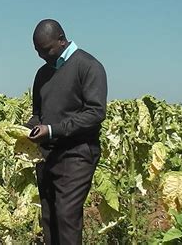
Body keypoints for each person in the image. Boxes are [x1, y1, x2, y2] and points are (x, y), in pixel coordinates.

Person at [26, 19, 107, 244]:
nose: (42, 55)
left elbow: (95, 113)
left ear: (61, 40)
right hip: (47, 155)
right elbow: (38, 114)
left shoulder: (88, 66)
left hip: (77, 154)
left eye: (46, 49)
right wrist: (26, 128)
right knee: (49, 216)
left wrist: (52, 130)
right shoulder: (42, 74)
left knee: (66, 215)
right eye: (38, 51)